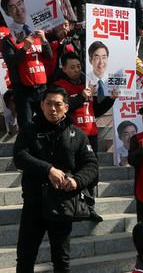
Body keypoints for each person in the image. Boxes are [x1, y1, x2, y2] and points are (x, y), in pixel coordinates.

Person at [13, 86, 99, 273]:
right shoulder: (29, 130)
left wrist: (77, 180)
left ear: (66, 107)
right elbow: (19, 156)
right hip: (34, 202)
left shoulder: (78, 134)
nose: (53, 108)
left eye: (58, 104)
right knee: (25, 257)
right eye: (49, 103)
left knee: (62, 260)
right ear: (42, 105)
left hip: (63, 204)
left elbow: (91, 165)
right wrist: (48, 170)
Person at [1, 26, 51, 128]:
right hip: (23, 91)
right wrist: (24, 48)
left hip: (41, 88)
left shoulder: (37, 36)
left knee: (47, 121)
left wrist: (44, 40)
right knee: (26, 124)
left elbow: (49, 56)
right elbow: (10, 62)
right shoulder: (8, 40)